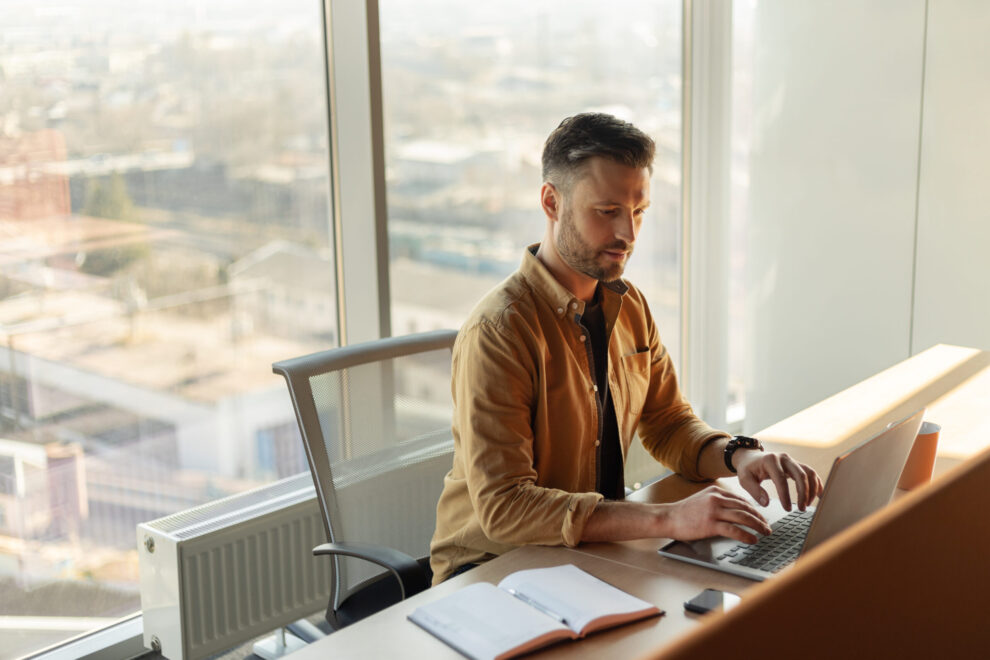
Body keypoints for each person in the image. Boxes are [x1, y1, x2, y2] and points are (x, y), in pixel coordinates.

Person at [429, 112, 823, 584]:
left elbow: (669, 424)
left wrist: (742, 458)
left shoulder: (627, 304)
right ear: (552, 202)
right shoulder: (499, 332)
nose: (629, 235)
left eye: (638, 212)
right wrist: (668, 519)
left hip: (586, 554)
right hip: (490, 572)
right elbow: (506, 507)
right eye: (607, 211)